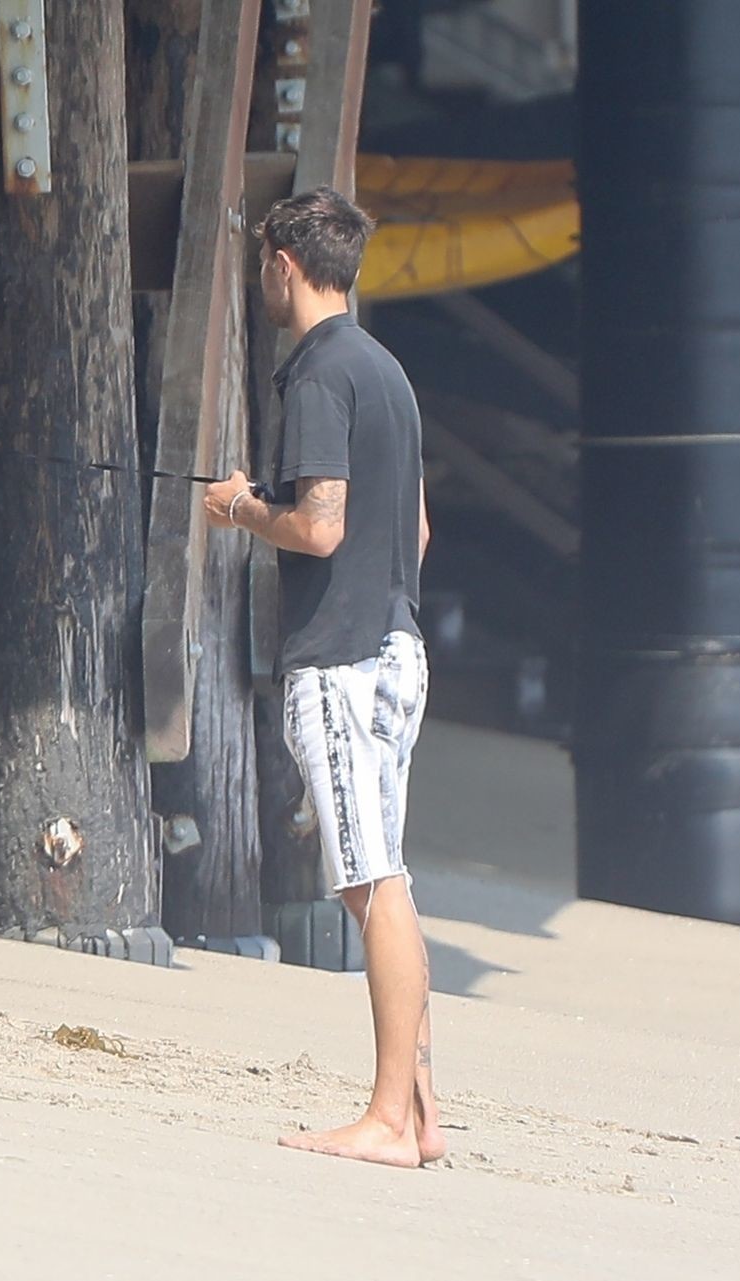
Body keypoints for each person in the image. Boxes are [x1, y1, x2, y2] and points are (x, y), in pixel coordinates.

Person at [204, 187, 443, 1168]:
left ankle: (389, 1121)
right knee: (384, 878)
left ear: (285, 265)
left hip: (342, 661)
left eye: (264, 265)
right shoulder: (387, 371)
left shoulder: (315, 374)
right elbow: (415, 530)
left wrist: (239, 508)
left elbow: (320, 525)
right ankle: (420, 1108)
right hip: (398, 647)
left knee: (370, 882)